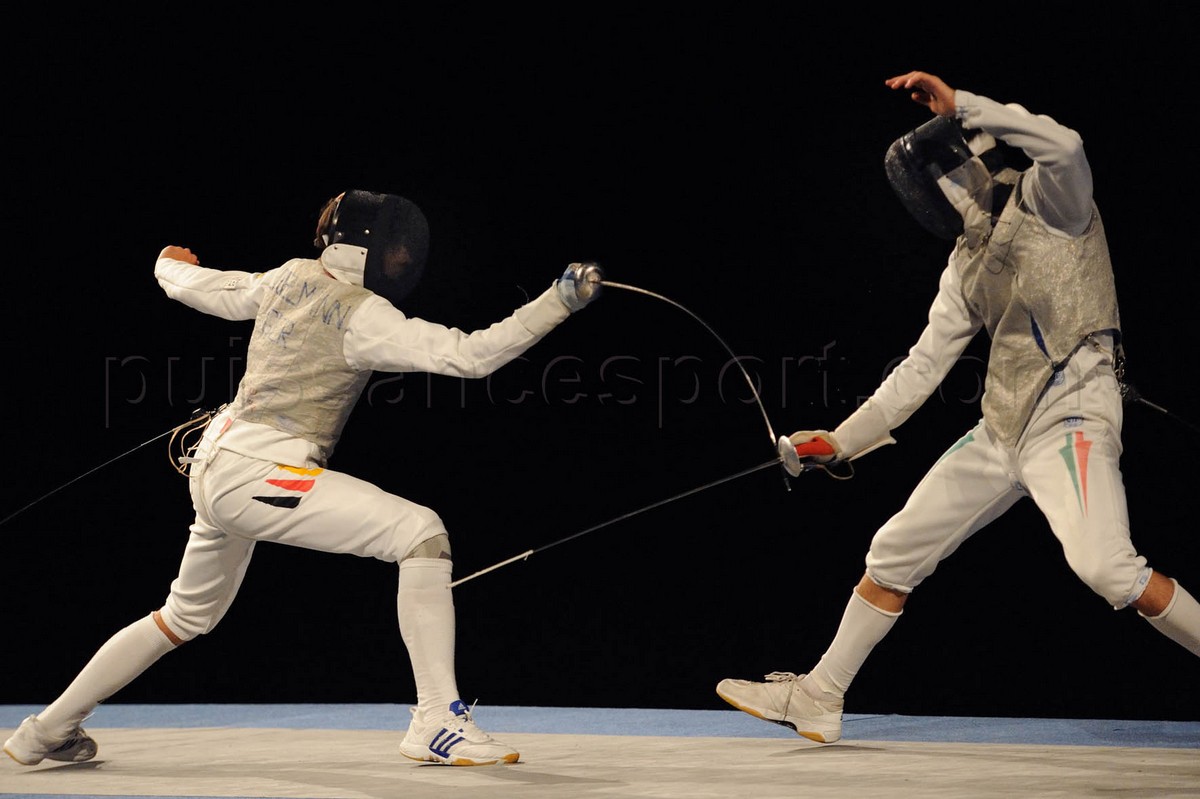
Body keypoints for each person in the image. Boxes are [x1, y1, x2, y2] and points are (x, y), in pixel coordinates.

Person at [3, 189, 603, 767]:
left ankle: (45, 732)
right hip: (257, 476)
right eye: (397, 249)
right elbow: (472, 356)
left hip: (216, 464)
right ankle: (436, 721)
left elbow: (199, 285)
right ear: (377, 249)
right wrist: (559, 301)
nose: (403, 259)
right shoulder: (365, 315)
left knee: (182, 617)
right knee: (420, 533)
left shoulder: (286, 277)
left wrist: (166, 263)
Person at [716, 71, 1200, 743]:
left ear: (963, 165)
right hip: (1001, 429)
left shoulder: (1052, 200)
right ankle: (819, 696)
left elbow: (1065, 143)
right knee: (894, 550)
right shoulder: (966, 260)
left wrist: (965, 106)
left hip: (1071, 419)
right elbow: (922, 365)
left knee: (1107, 568)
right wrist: (841, 439)